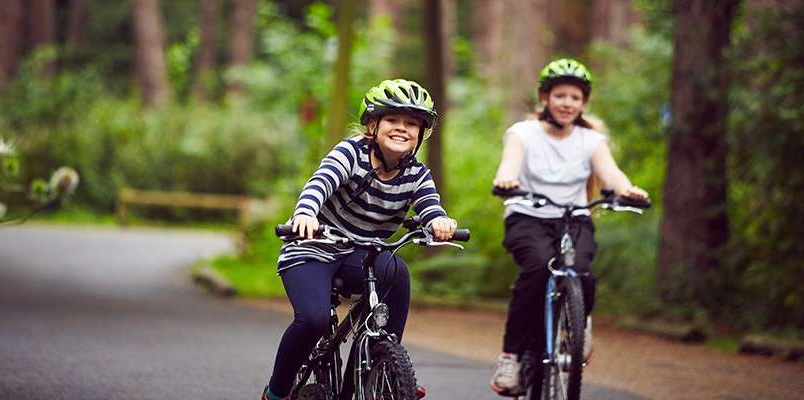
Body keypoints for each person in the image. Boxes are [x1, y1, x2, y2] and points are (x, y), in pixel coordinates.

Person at [262, 79, 458, 400]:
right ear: (372, 125)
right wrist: (305, 215)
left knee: (396, 271)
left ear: (421, 134)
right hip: (313, 247)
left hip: (362, 255)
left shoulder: (416, 174)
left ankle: (387, 365)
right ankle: (277, 391)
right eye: (392, 119)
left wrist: (438, 221)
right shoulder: (349, 153)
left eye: (412, 123)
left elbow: (429, 204)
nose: (402, 128)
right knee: (311, 320)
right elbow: (320, 183)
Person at [490, 59, 649, 394]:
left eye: (575, 98)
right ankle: (511, 357)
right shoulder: (523, 133)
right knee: (536, 270)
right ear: (545, 98)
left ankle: (578, 320)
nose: (567, 103)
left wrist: (626, 189)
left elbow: (611, 174)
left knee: (581, 270)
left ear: (583, 103)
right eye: (560, 95)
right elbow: (510, 163)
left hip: (574, 216)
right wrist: (506, 179)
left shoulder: (590, 140)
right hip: (527, 215)